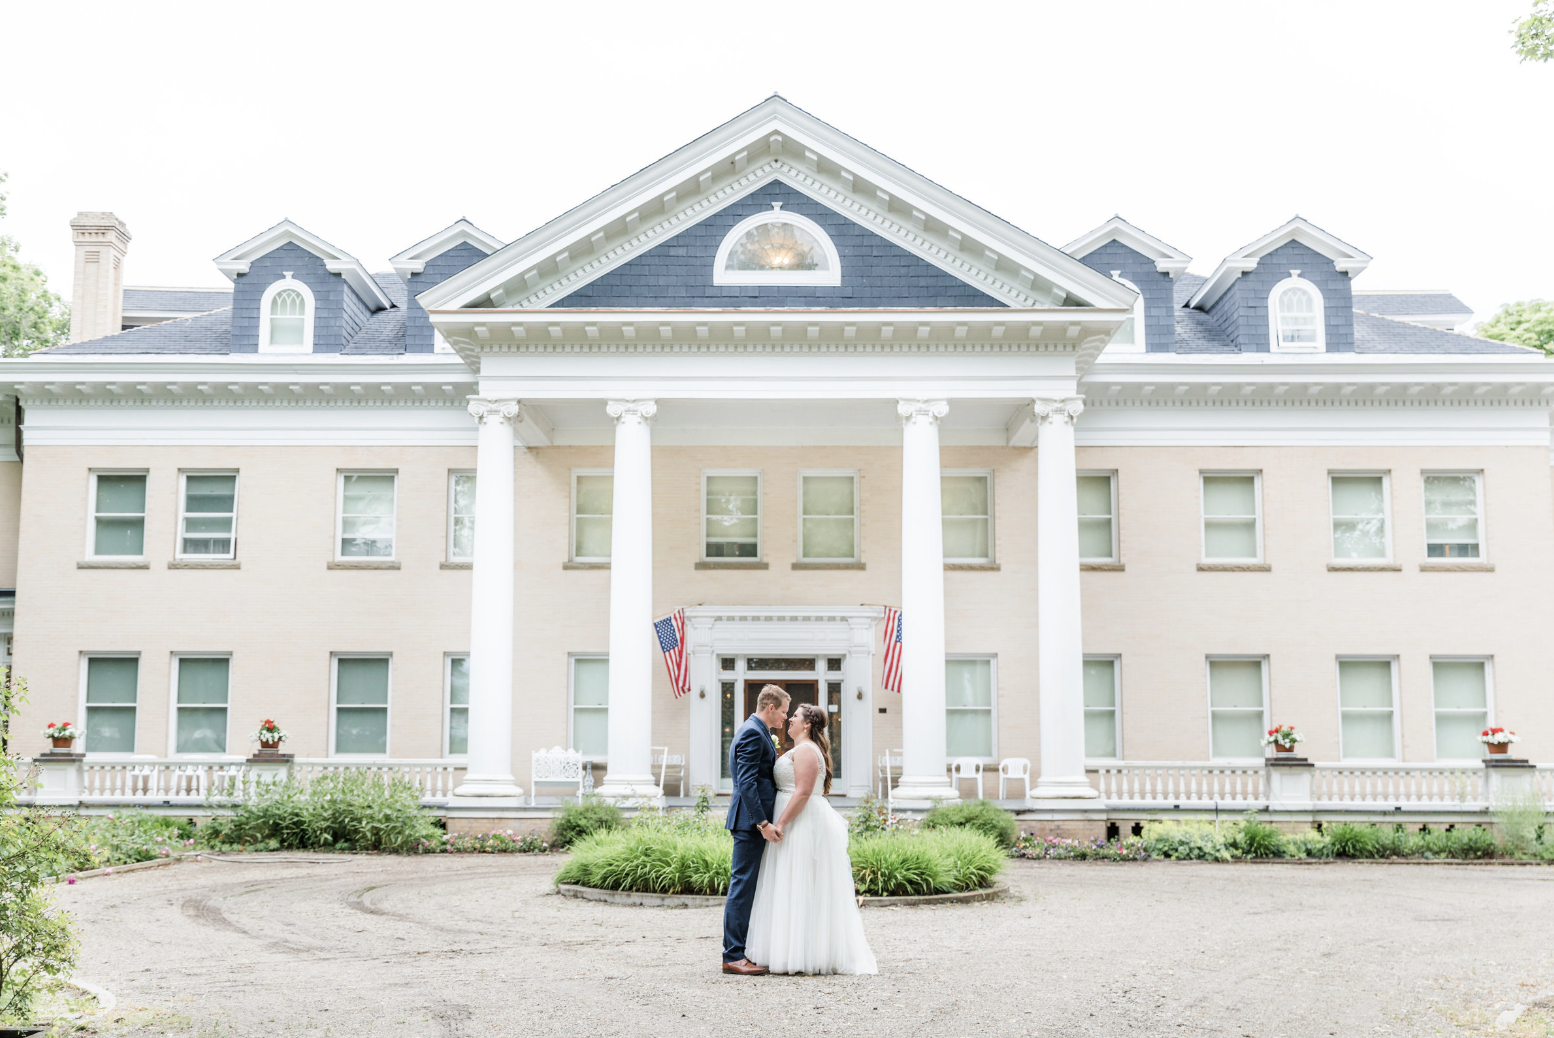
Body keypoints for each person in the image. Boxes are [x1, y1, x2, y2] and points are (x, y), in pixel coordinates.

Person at [745, 703, 877, 975]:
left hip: (799, 822)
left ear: (807, 724)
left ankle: (802, 953)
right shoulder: (800, 748)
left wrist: (779, 823)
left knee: (800, 883)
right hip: (795, 819)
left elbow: (803, 792)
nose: (789, 719)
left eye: (794, 716)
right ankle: (788, 948)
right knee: (790, 884)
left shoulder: (806, 750)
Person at [721, 684, 787, 975]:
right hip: (750, 823)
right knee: (742, 888)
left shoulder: (754, 729)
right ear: (771, 708)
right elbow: (746, 782)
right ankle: (733, 956)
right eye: (784, 711)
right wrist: (762, 822)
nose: (785, 718)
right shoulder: (751, 731)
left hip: (751, 822)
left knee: (746, 886)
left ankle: (740, 951)